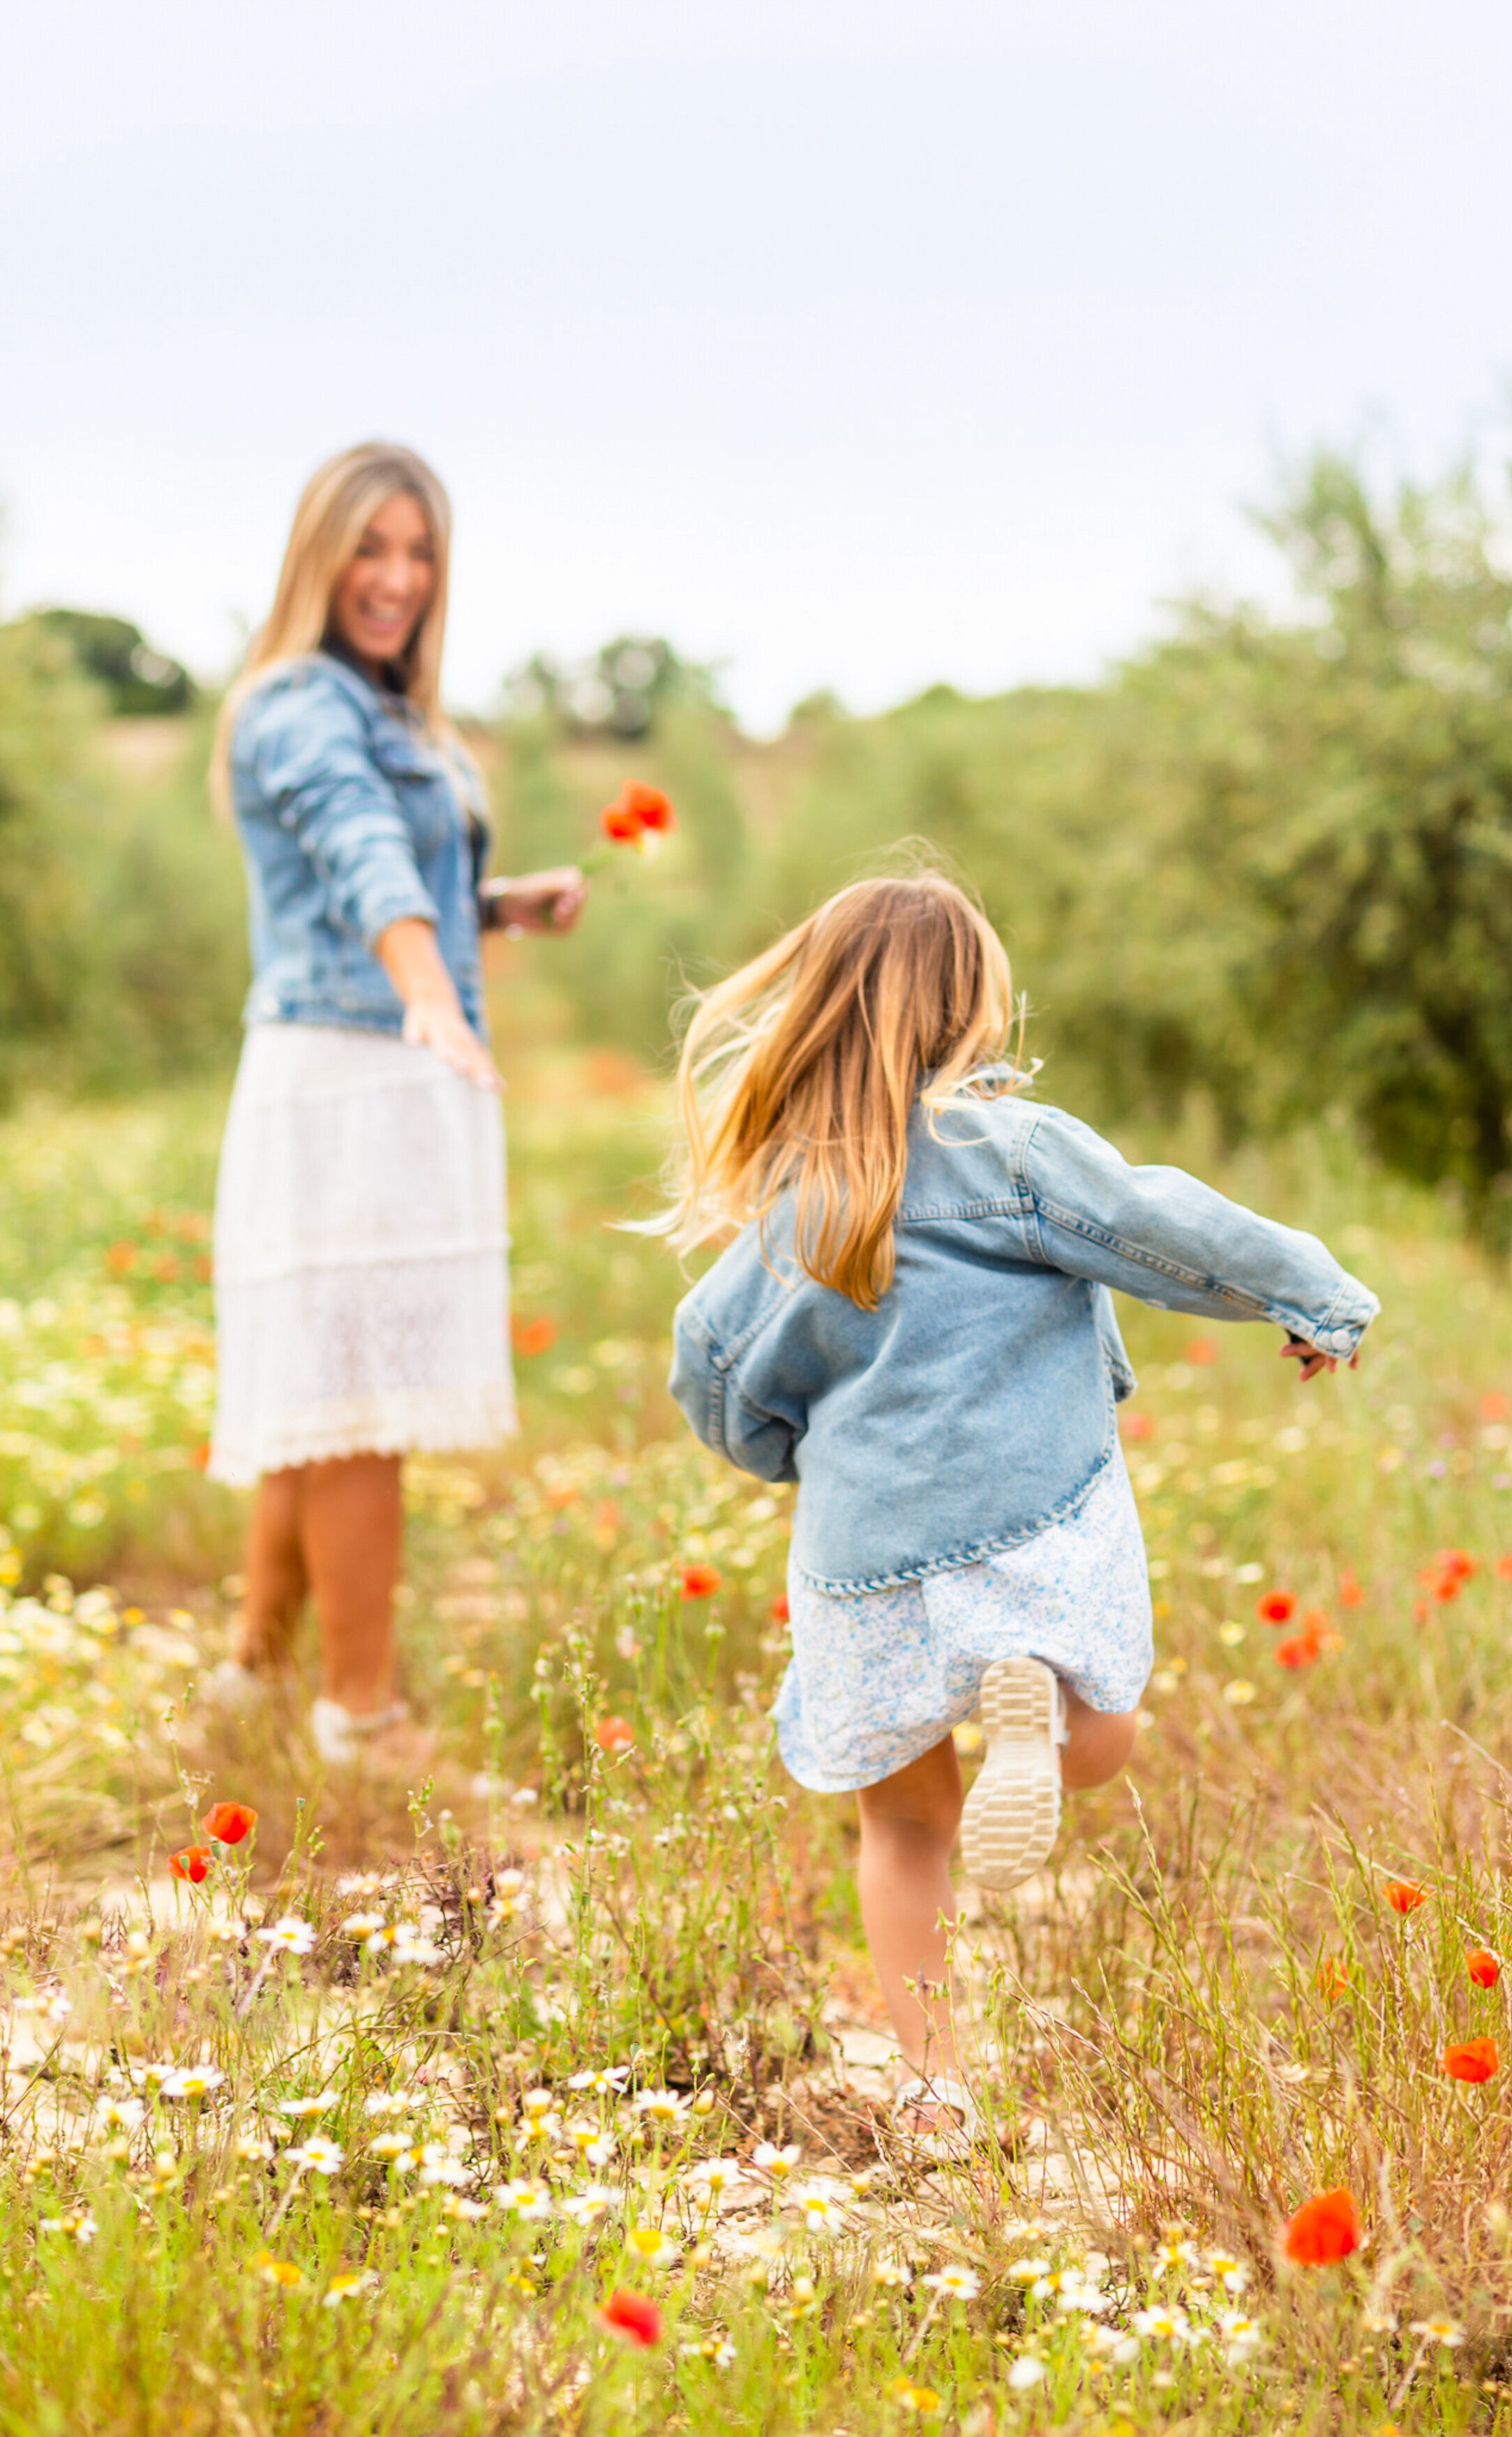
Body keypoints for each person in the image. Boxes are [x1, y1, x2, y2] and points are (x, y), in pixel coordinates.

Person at [661, 871, 1377, 2131]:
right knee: (1100, 1737)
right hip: (1032, 1519)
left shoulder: (794, 1203)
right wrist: (1311, 1295)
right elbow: (1167, 1224)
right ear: (977, 1006)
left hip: (864, 1555)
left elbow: (711, 1365)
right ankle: (1035, 1703)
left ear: (817, 1015)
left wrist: (788, 1453)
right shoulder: (1014, 1148)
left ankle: (934, 2084)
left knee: (903, 1826)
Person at [206, 440, 587, 1766]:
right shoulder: (302, 703)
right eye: (369, 547)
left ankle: (254, 1677)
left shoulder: (382, 706)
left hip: (366, 1052)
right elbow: (355, 847)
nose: (397, 577)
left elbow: (375, 874)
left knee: (319, 1392)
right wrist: (427, 976)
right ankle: (359, 1716)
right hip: (353, 1073)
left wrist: (490, 912)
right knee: (360, 1402)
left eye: (418, 551)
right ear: (319, 556)